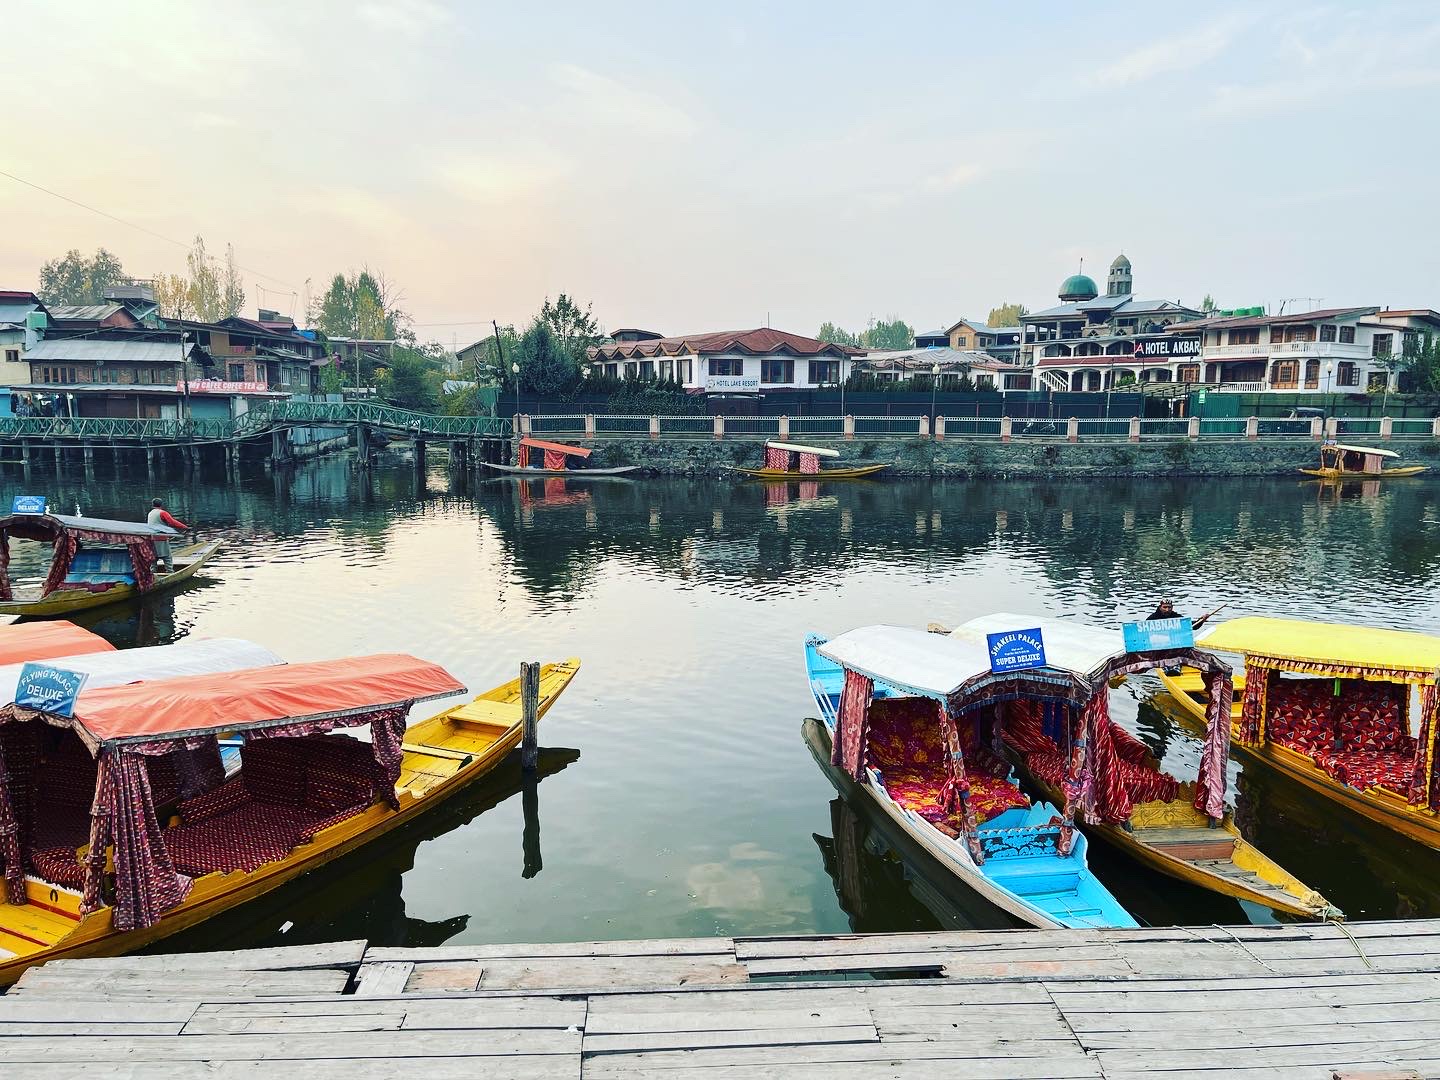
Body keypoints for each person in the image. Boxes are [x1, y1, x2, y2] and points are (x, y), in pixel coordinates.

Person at [146, 498, 188, 571]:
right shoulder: (162, 513)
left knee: (154, 558)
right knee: (167, 557)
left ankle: (152, 573)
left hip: (152, 538)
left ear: (152, 505)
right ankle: (170, 572)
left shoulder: (150, 513)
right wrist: (185, 527)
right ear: (161, 505)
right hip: (161, 539)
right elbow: (172, 522)